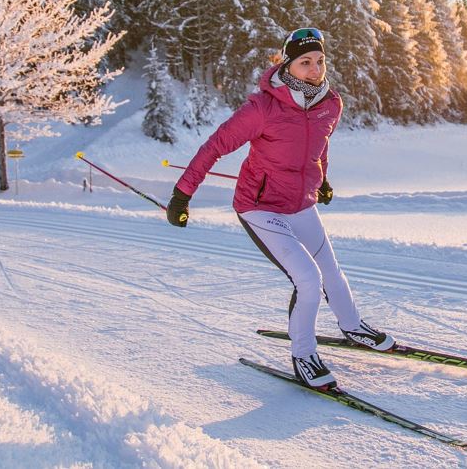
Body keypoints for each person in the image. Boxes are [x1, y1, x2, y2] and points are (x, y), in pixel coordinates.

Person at [165, 27, 394, 390]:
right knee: (308, 279)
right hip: (260, 206)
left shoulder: (330, 104)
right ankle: (303, 355)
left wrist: (324, 180)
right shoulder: (262, 108)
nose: (315, 69)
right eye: (306, 62)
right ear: (287, 65)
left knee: (331, 272)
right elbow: (214, 147)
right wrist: (182, 195)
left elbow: (319, 148)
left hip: (300, 203)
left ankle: (352, 327)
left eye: (320, 61)